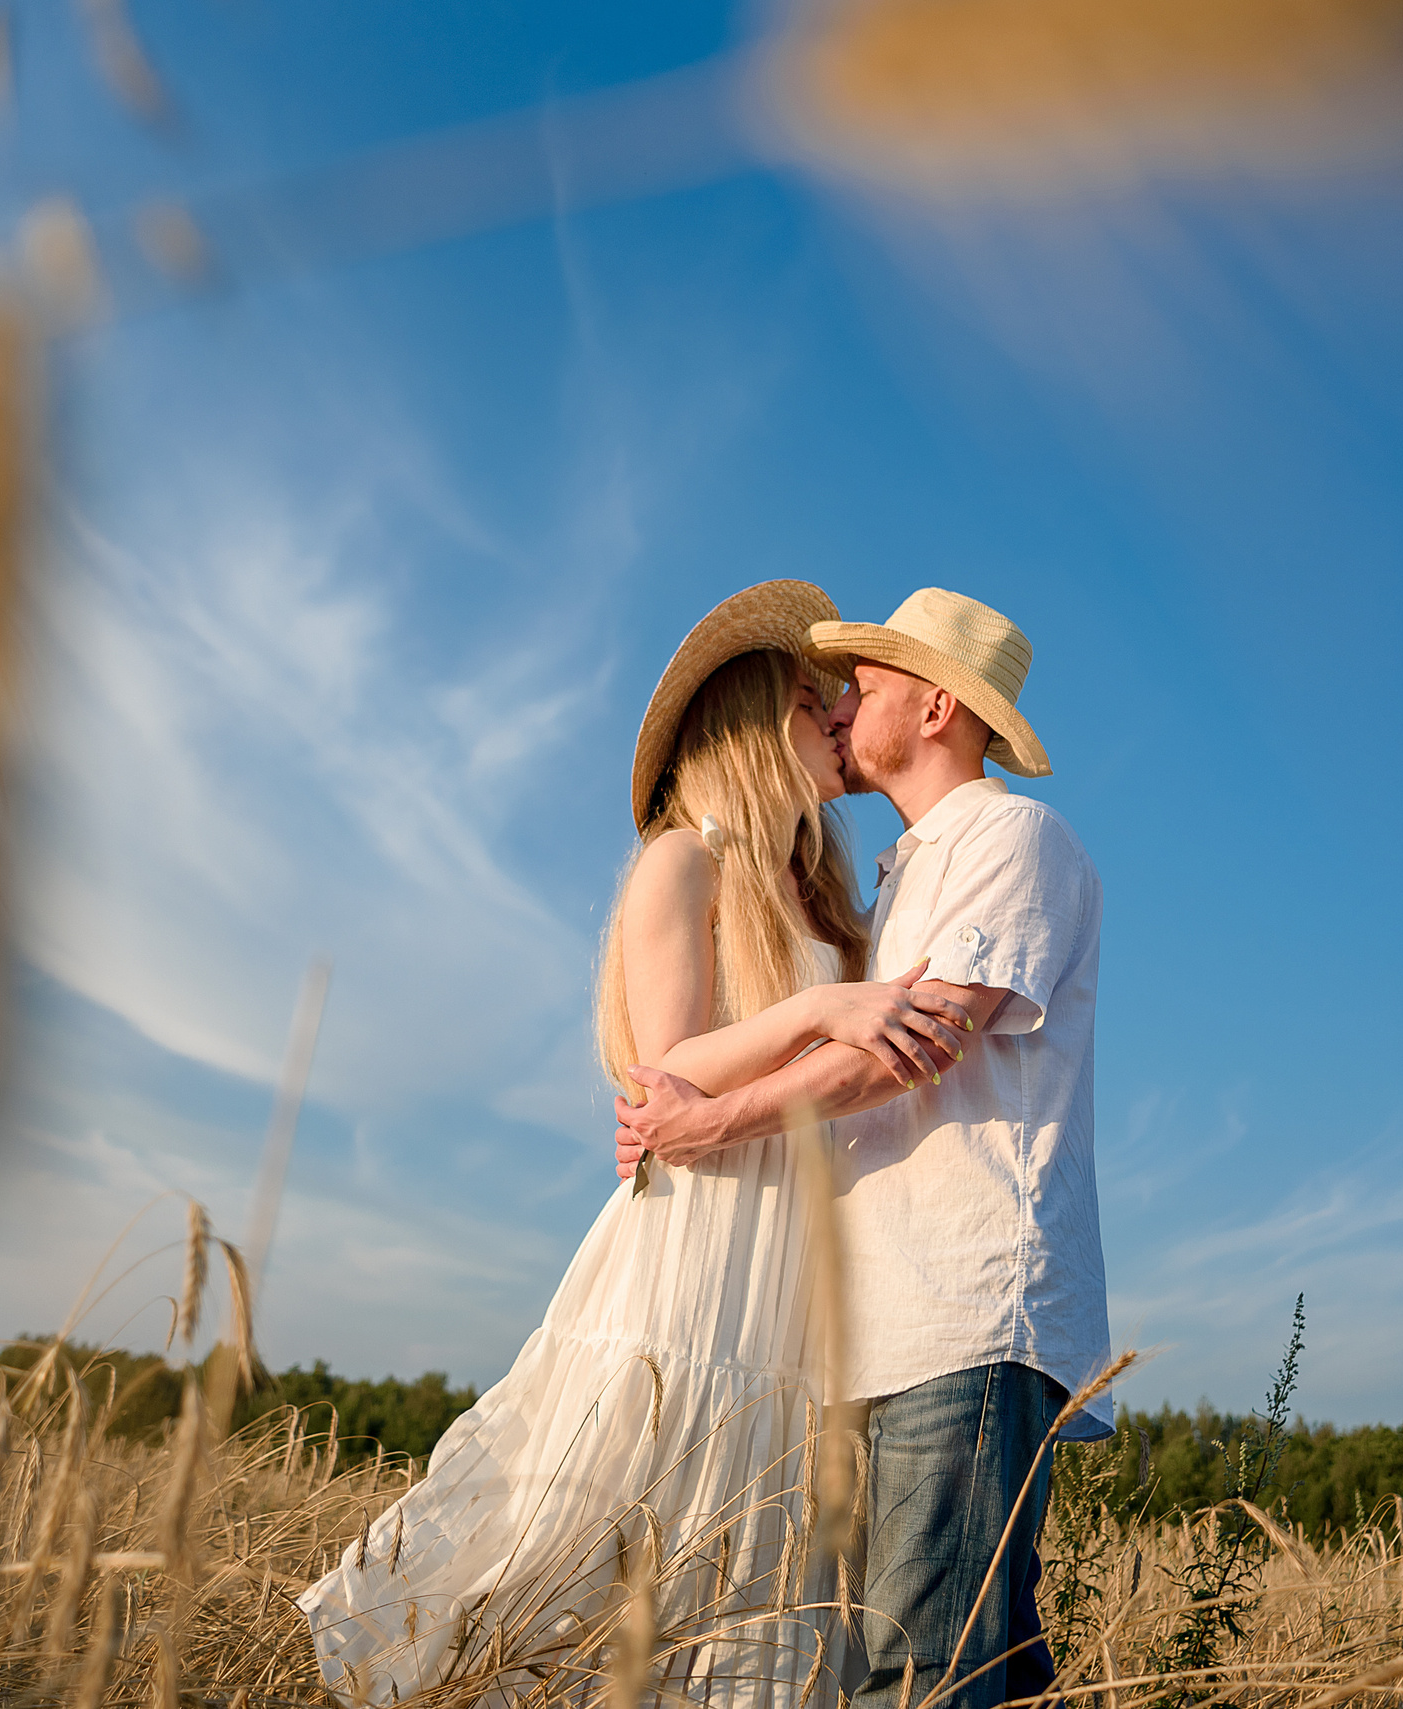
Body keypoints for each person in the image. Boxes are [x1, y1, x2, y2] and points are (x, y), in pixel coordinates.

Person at [297, 580, 973, 1709]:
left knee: (762, 1535)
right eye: (811, 708)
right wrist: (822, 1010)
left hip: (797, 1247)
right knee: (616, 1508)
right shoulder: (679, 860)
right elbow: (664, 1068)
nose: (835, 723)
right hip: (703, 1229)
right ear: (757, 730)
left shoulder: (819, 895)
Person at [613, 587, 1111, 1709]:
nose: (841, 705)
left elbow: (910, 1048)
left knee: (928, 1660)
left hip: (964, 1307)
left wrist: (702, 1120)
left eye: (866, 684)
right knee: (954, 1651)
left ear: (935, 707)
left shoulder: (1010, 836)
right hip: (869, 1321)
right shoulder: (889, 881)